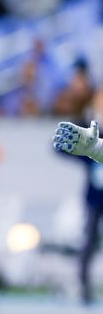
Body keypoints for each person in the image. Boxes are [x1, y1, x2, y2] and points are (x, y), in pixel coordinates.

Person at [52, 119, 103, 304]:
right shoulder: (96, 134)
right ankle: (84, 287)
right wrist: (96, 149)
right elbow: (59, 145)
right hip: (95, 199)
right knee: (88, 242)